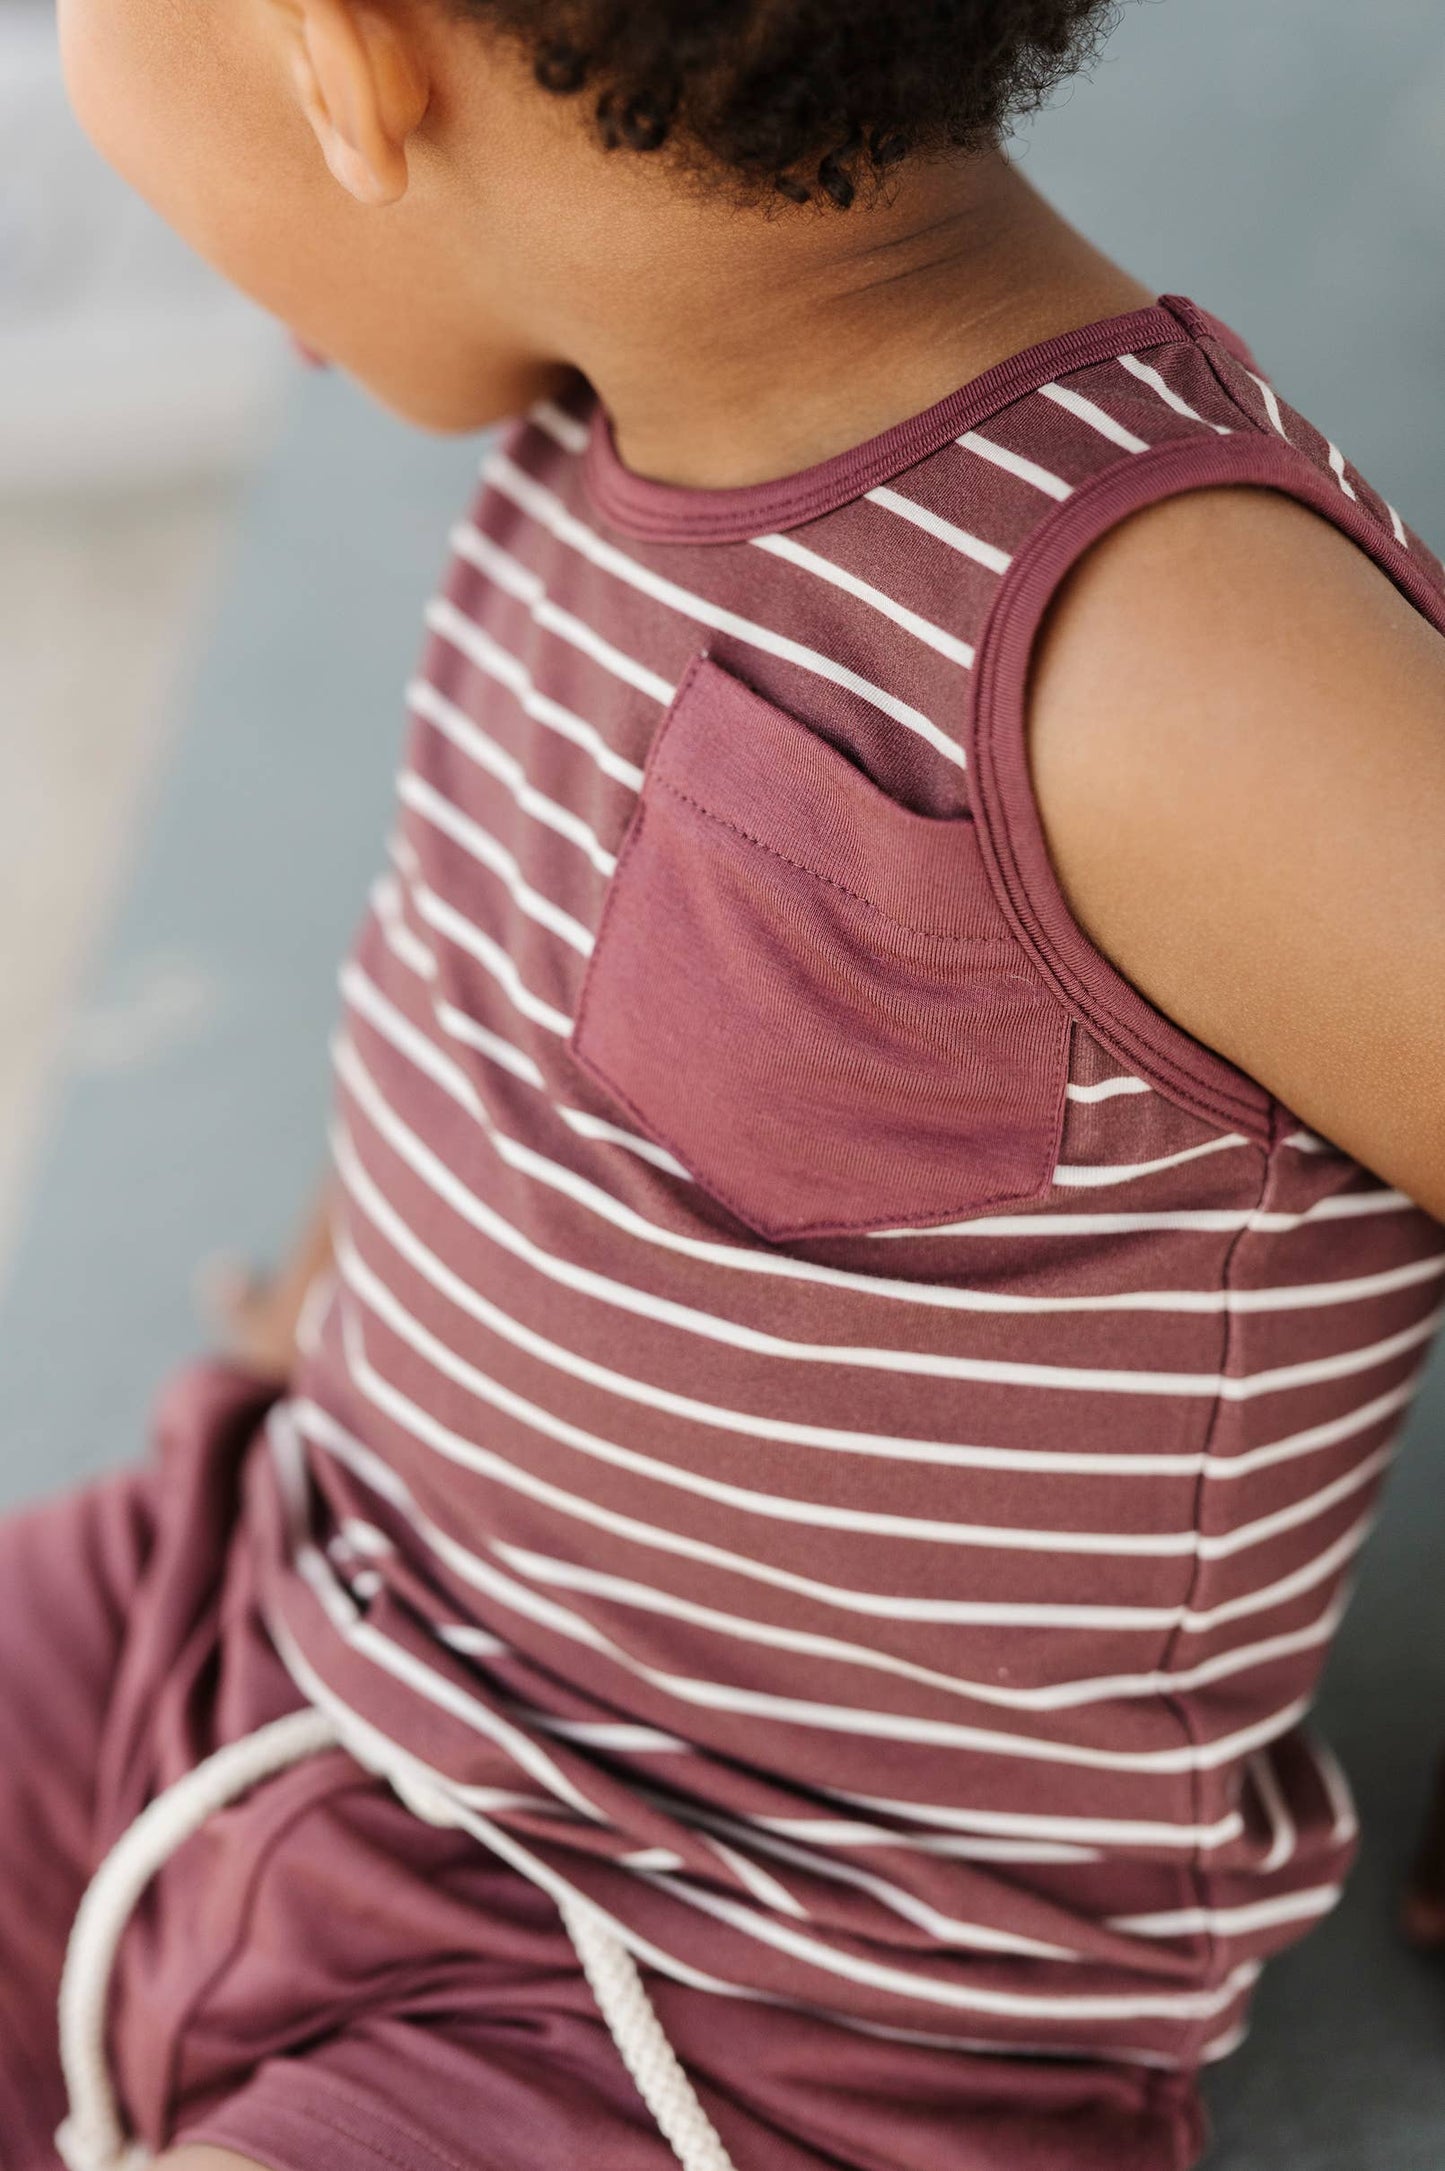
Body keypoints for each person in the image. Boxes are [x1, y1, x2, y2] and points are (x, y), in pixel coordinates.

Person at [7, 2, 1445, 2167]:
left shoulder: (1161, 652)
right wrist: (385, 1278)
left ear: (344, 61)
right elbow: (554, 957)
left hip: (748, 1993)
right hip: (264, 1614)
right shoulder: (620, 388)